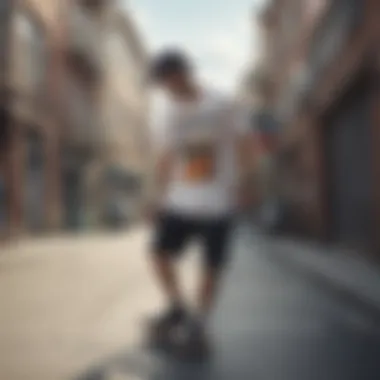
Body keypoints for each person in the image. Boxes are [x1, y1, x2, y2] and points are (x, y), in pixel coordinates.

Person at [147, 49, 253, 356]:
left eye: (169, 81)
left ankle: (200, 323)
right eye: (162, 85)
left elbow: (244, 142)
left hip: (219, 199)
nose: (167, 89)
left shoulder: (222, 102)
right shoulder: (168, 112)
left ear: (184, 73)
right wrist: (157, 197)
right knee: (158, 254)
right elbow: (166, 157)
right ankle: (178, 307)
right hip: (181, 199)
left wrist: (246, 183)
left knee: (212, 265)